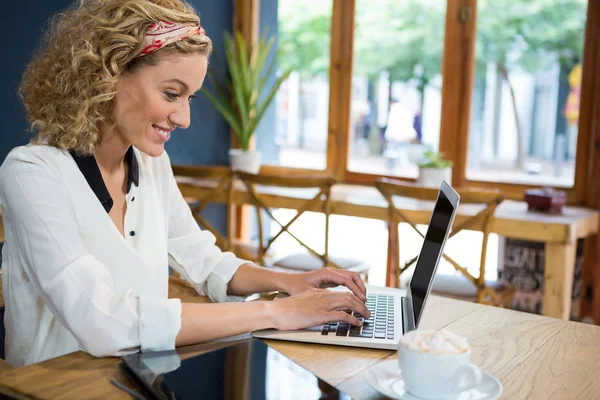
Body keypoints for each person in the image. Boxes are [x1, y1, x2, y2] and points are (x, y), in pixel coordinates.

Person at [0, 0, 369, 367]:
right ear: (106, 74)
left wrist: (291, 283)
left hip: (138, 379)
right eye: (171, 94)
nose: (185, 117)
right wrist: (277, 312)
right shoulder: (32, 172)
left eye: (189, 97)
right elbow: (103, 322)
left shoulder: (150, 163)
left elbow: (205, 262)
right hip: (56, 387)